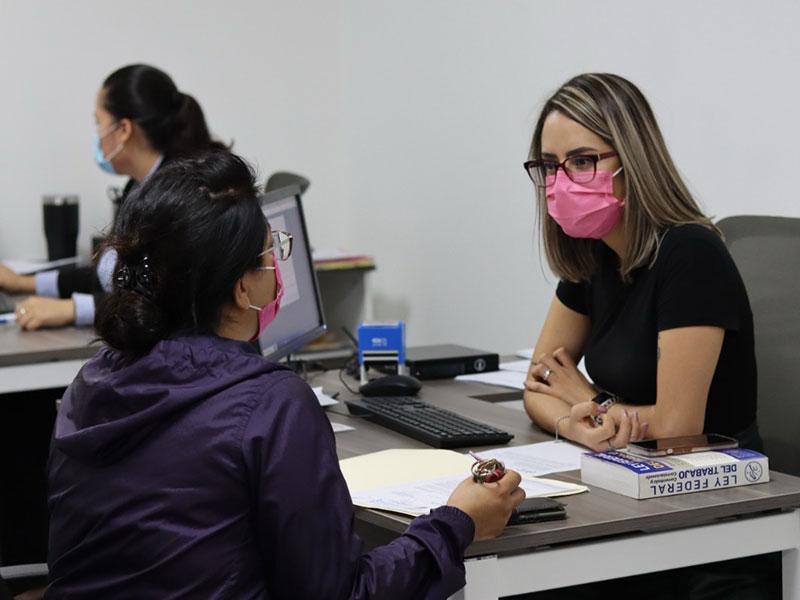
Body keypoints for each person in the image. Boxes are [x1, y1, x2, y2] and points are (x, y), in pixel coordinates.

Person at [45, 152, 525, 599]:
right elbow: (340, 593)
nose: (278, 268)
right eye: (271, 252)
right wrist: (458, 522)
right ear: (240, 288)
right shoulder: (273, 406)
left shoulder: (88, 386)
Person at [517, 73, 775, 600]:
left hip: (708, 523)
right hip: (633, 492)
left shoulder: (690, 254)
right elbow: (540, 384)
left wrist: (589, 399)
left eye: (583, 160)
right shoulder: (591, 253)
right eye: (548, 166)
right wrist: (577, 421)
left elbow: (679, 426)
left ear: (631, 162)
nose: (562, 180)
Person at [0, 64, 226, 331]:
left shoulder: (180, 199)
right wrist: (25, 283)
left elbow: (164, 301)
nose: (97, 135)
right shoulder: (139, 188)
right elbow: (110, 275)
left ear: (123, 130)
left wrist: (73, 309)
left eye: (99, 123)